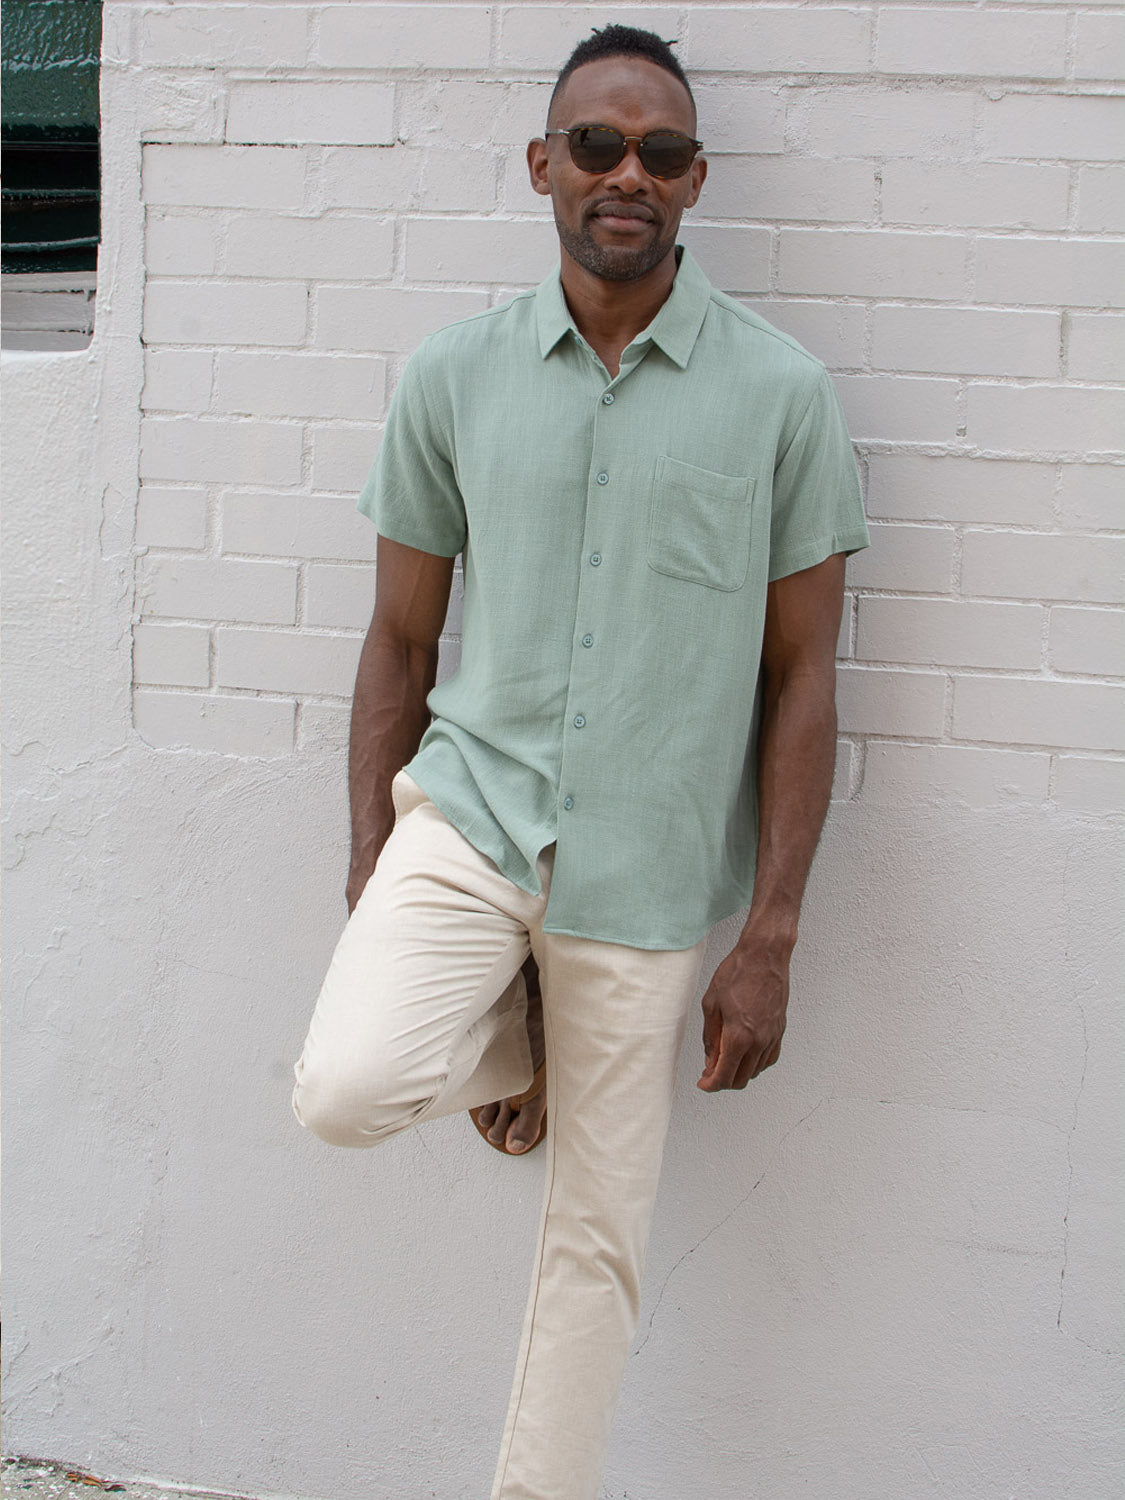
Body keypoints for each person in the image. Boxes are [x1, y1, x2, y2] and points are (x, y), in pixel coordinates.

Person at [291, 23, 869, 1499]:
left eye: (660, 154)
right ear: (542, 165)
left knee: (595, 1245)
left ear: (695, 183)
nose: (629, 175)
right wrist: (372, 856)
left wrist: (772, 934)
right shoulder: (454, 376)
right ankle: (513, 1021)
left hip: (651, 868)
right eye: (598, 147)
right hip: (473, 820)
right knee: (346, 1086)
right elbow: (398, 643)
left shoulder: (782, 395)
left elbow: (805, 675)